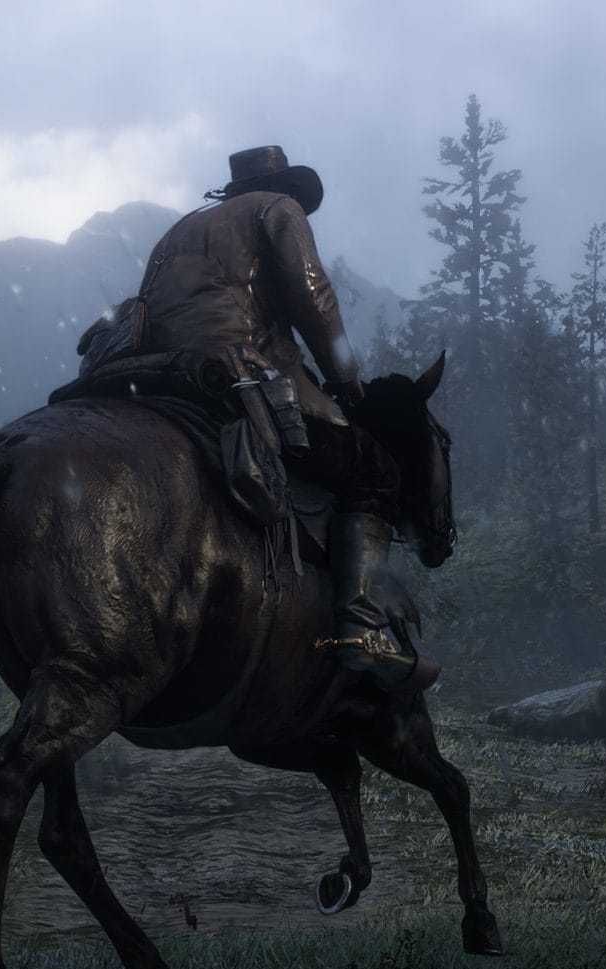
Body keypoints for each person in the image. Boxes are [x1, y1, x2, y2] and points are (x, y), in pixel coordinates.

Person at [130, 145, 436, 689]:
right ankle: (360, 625)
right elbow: (314, 299)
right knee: (374, 470)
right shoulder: (278, 209)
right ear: (286, 185)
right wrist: (346, 381)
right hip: (246, 368)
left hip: (165, 373)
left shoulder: (180, 228)